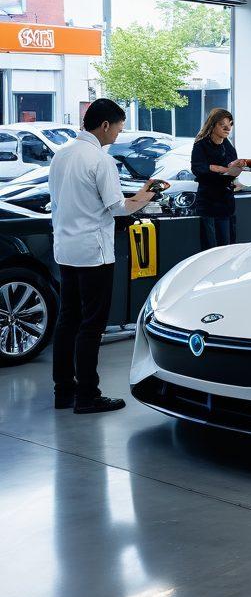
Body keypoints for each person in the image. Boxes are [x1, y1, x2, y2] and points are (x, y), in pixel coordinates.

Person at [49, 99, 154, 414]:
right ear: (105, 125)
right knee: (92, 325)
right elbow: (118, 208)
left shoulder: (61, 156)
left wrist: (137, 195)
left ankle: (64, 391)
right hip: (94, 253)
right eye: (119, 126)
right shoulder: (100, 160)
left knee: (68, 320)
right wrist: (146, 197)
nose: (120, 132)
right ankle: (88, 395)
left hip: (66, 249)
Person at [191, 108, 245, 248]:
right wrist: (218, 168)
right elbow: (197, 169)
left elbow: (233, 172)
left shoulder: (229, 147)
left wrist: (236, 169)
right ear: (213, 125)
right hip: (208, 202)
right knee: (209, 247)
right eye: (223, 125)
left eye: (230, 124)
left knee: (227, 246)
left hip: (225, 203)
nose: (228, 128)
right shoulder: (200, 145)